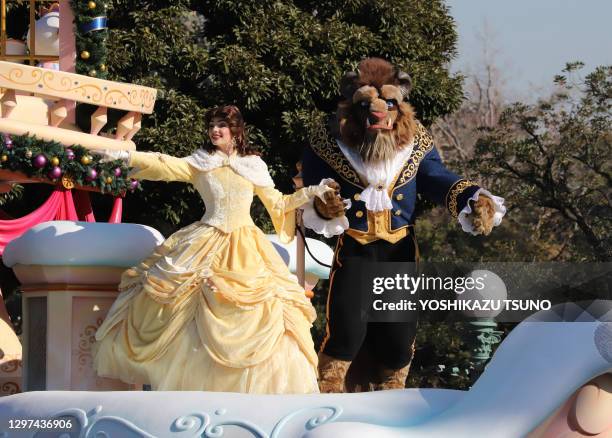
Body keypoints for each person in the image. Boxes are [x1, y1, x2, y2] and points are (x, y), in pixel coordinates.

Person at [93, 105, 337, 393]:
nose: (215, 130)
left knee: (259, 311)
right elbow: (163, 164)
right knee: (184, 306)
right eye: (211, 125)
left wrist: (311, 192)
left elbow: (279, 205)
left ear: (237, 130)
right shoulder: (200, 162)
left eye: (221, 124)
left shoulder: (253, 165)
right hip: (203, 241)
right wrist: (126, 156)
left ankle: (252, 391)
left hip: (246, 245)